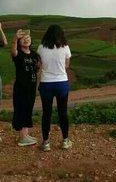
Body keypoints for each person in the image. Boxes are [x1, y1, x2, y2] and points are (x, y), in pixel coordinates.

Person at [37, 24, 72, 152]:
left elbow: (40, 64)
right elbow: (67, 65)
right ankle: (65, 141)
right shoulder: (65, 47)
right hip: (61, 83)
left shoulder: (41, 47)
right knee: (63, 112)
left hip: (46, 83)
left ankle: (46, 143)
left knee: (46, 113)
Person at [11, 29, 41, 146]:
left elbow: (38, 67)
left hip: (31, 86)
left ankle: (26, 134)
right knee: (21, 109)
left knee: (28, 109)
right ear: (19, 42)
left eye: (28, 38)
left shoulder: (34, 54)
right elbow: (13, 51)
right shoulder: (18, 54)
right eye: (23, 39)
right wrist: (15, 38)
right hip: (21, 87)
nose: (26, 40)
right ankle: (23, 137)